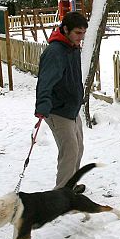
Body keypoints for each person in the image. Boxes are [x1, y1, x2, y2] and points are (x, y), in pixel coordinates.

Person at [35, 11, 88, 191]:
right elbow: (45, 81)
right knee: (69, 152)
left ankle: (70, 187)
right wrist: (42, 106)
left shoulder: (72, 48)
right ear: (66, 29)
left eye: (83, 33)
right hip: (58, 111)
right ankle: (62, 195)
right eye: (77, 33)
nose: (81, 38)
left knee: (78, 149)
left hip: (72, 110)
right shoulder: (55, 52)